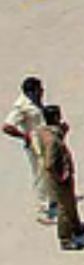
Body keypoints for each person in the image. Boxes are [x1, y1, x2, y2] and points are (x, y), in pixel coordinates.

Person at [32, 105, 84, 251]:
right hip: (59, 177)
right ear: (56, 118)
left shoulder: (45, 132)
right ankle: (65, 239)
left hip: (62, 174)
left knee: (70, 202)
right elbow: (49, 164)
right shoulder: (52, 140)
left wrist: (62, 132)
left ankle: (77, 226)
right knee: (64, 207)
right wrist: (60, 176)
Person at [3, 76, 56, 223]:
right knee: (40, 175)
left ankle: (51, 199)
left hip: (45, 139)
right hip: (35, 144)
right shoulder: (21, 106)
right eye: (39, 89)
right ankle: (42, 211)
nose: (42, 91)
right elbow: (7, 126)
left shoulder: (35, 101)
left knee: (49, 170)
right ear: (31, 92)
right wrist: (24, 136)